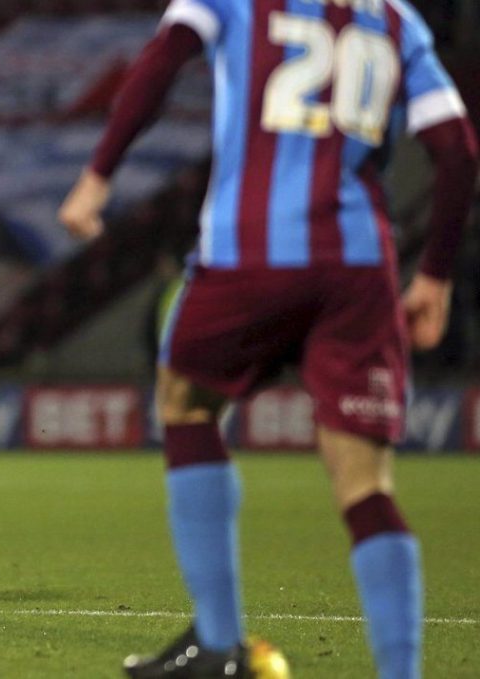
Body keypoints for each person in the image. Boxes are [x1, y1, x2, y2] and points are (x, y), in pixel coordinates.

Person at [59, 0, 478, 676]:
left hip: (249, 252)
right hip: (358, 268)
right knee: (366, 484)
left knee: (185, 401)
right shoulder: (398, 18)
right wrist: (434, 275)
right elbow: (457, 149)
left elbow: (163, 59)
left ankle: (219, 643)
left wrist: (97, 176)